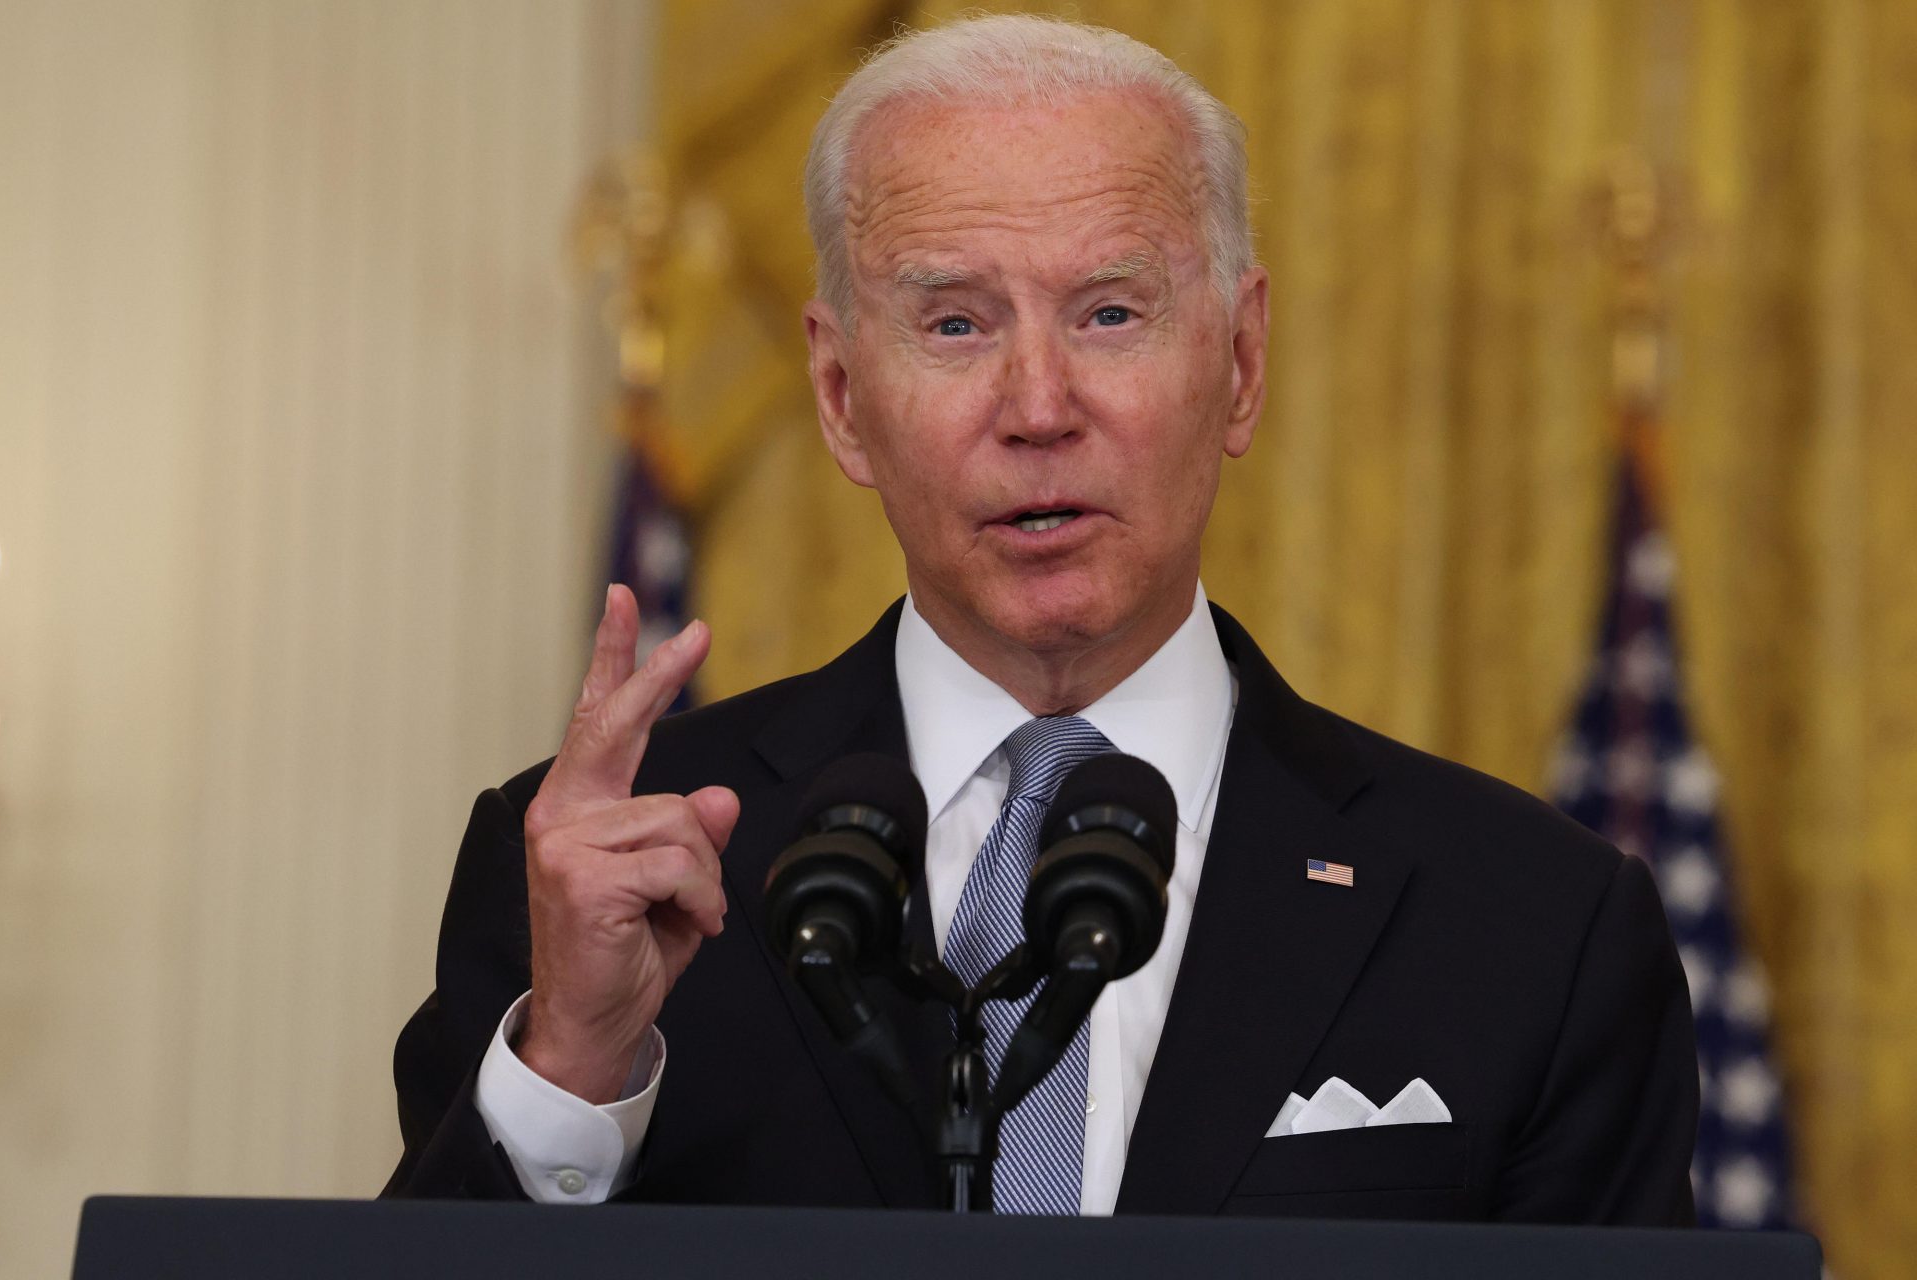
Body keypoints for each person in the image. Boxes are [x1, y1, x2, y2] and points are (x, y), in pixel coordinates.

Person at [385, 14, 1697, 1221]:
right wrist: (572, 1068)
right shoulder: (604, 880)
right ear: (841, 395)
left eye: (1110, 314)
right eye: (954, 323)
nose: (1038, 406)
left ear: (1240, 364)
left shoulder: (1533, 925)